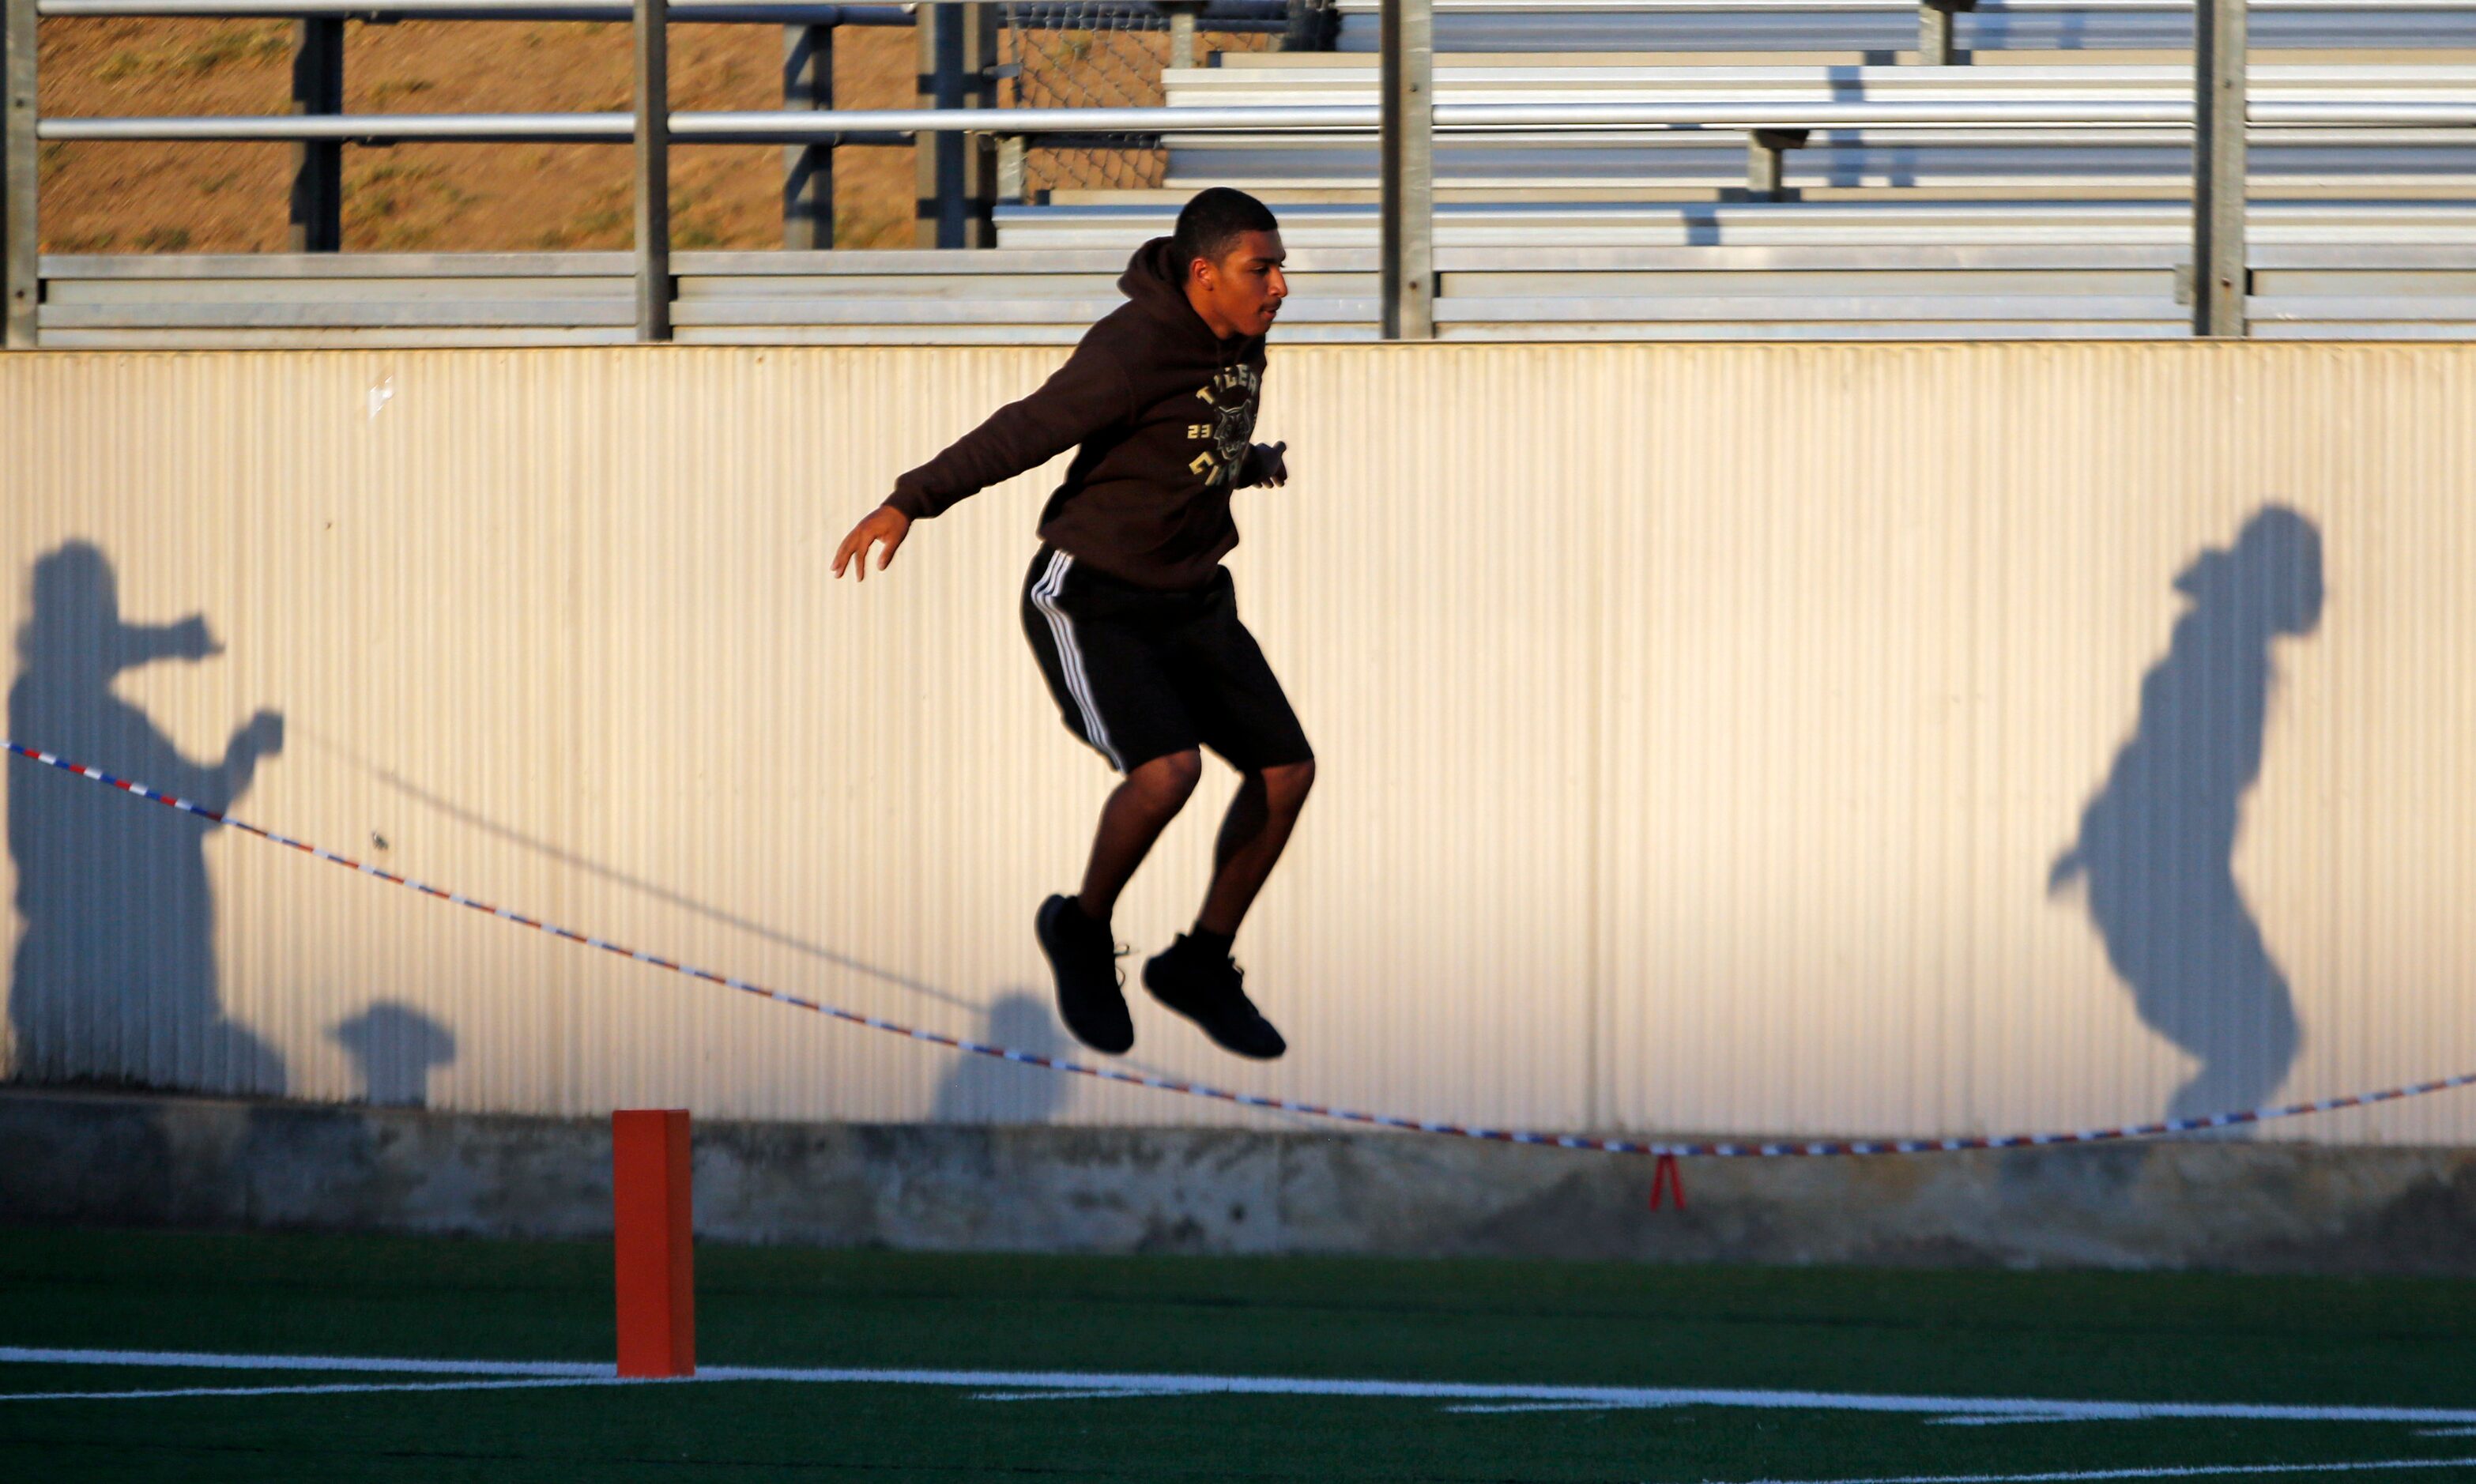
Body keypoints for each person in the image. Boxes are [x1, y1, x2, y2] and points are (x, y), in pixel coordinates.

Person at [831, 187, 1314, 1062]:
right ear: (1203, 275)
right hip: (1092, 596)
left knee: (1286, 773)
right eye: (1261, 269)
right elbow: (1025, 431)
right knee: (1168, 773)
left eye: (1280, 267)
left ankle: (1200, 963)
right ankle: (1081, 930)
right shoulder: (1129, 349)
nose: (1279, 287)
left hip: (1192, 595)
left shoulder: (1241, 329)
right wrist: (909, 501)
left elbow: (1188, 434)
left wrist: (1248, 464)